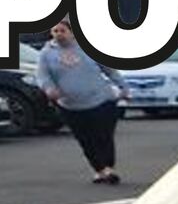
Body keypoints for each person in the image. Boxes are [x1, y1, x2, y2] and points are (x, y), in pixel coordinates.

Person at [36, 22, 125, 185]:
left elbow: (109, 69)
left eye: (62, 31)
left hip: (101, 100)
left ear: (72, 33)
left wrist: (123, 87)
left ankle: (109, 168)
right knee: (85, 139)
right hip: (71, 106)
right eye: (55, 31)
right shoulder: (46, 54)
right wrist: (49, 88)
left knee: (103, 136)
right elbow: (43, 76)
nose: (58, 34)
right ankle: (99, 169)